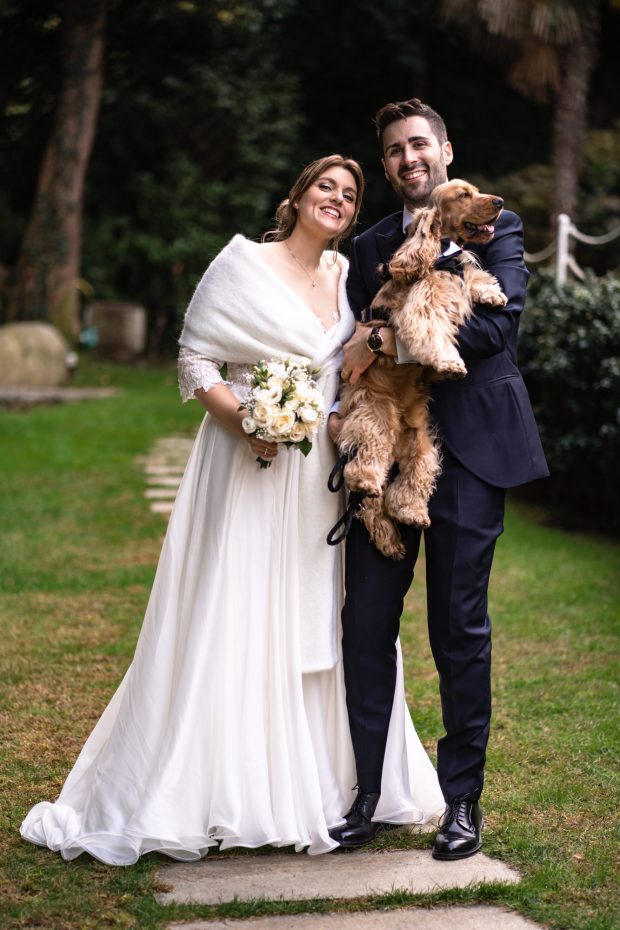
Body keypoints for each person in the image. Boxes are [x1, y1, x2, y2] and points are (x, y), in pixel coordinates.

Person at [20, 155, 444, 865]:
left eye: (348, 193)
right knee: (237, 602)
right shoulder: (241, 264)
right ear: (298, 196)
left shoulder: (347, 278)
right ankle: (216, 783)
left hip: (319, 477)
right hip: (247, 462)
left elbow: (369, 352)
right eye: (324, 188)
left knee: (318, 613)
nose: (336, 200)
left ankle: (325, 783)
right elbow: (194, 360)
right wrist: (247, 421)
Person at [327, 100, 549, 859]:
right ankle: (365, 797)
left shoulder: (497, 224)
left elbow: (497, 326)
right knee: (365, 627)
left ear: (446, 150)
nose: (408, 158)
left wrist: (392, 336)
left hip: (476, 452)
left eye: (419, 143)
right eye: (393, 150)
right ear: (385, 164)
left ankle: (462, 804)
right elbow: (352, 339)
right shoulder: (372, 244)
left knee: (458, 631)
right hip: (388, 452)